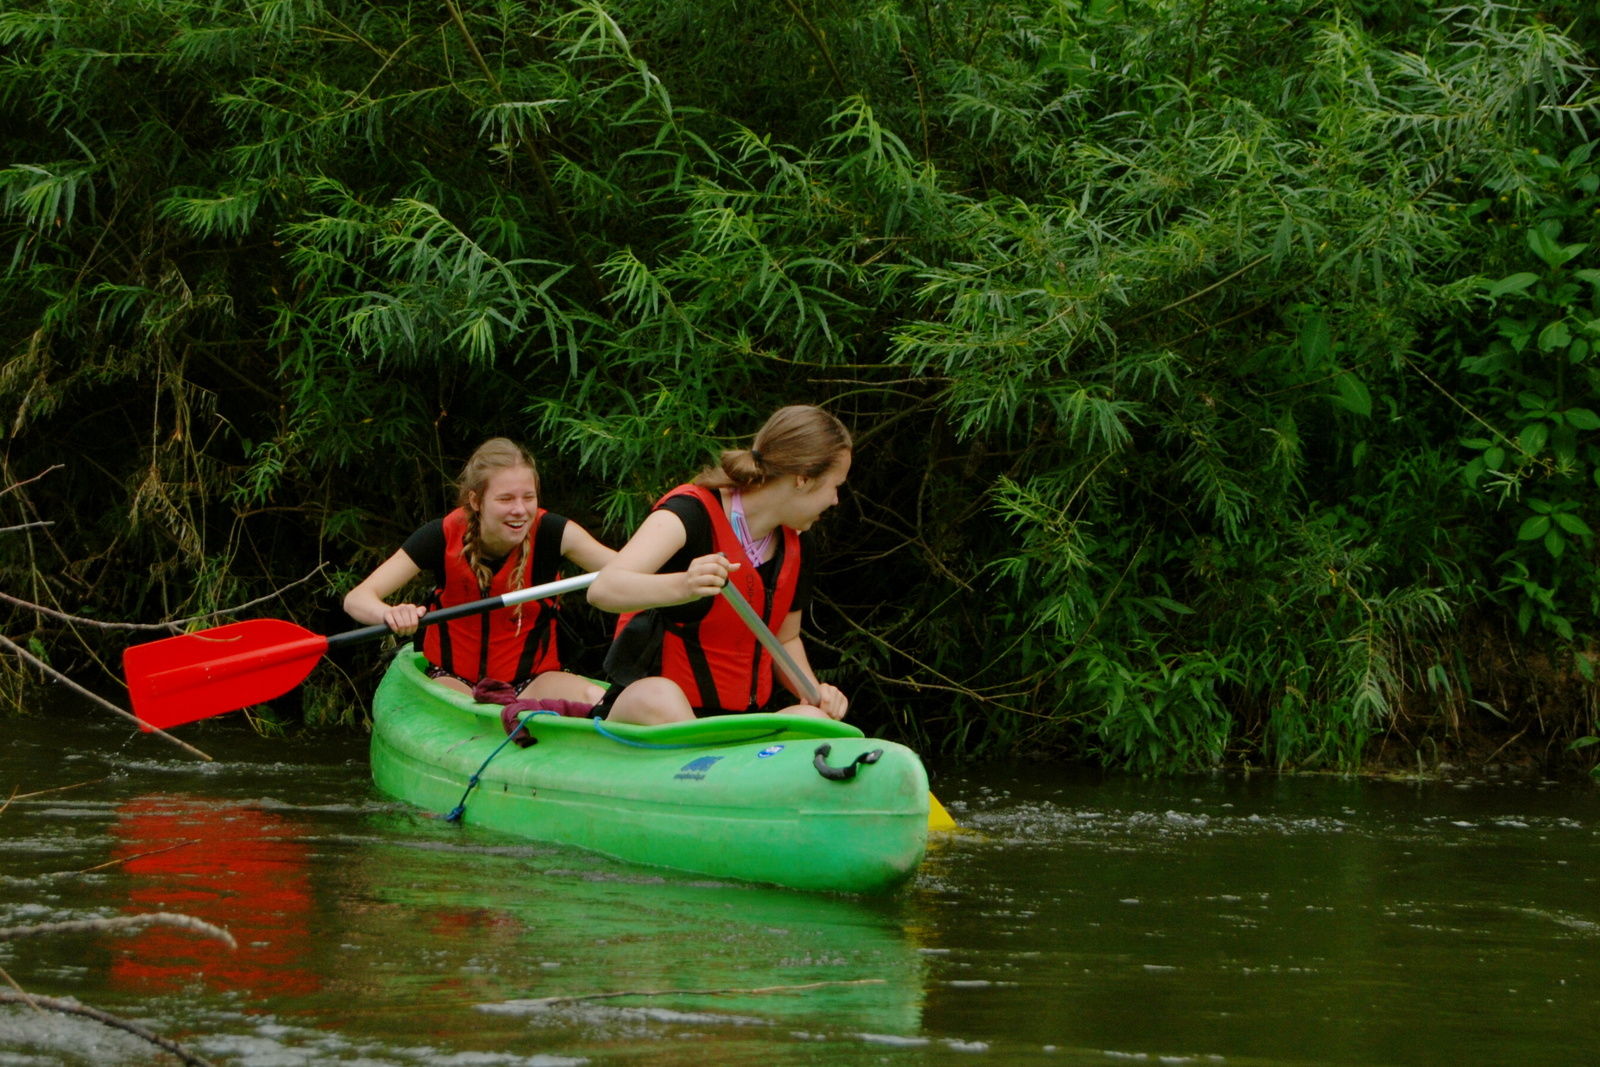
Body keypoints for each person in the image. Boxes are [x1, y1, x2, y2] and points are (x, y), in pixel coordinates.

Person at [587, 405, 852, 724]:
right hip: (654, 711)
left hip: (733, 723)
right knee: (660, 697)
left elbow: (785, 639)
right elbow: (603, 589)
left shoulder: (797, 542)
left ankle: (724, 759)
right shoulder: (688, 514)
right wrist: (683, 585)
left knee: (811, 717)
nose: (836, 501)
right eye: (835, 485)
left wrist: (815, 694)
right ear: (803, 479)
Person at [343, 438, 615, 704]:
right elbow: (357, 598)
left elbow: (630, 573)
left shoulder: (555, 534)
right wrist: (389, 613)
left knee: (597, 699)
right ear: (476, 500)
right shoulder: (439, 537)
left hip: (533, 680)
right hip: (454, 679)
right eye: (505, 499)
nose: (519, 510)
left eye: (528, 497)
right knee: (465, 709)